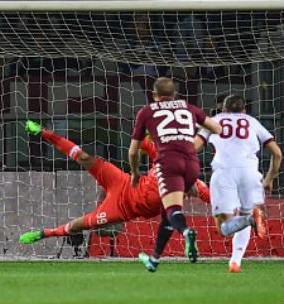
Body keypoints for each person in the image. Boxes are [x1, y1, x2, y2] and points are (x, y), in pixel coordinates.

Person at [20, 121, 210, 245]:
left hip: (123, 209)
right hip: (123, 182)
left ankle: (45, 233)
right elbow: (142, 143)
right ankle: (45, 133)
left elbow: (211, 197)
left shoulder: (191, 182)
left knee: (86, 224)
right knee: (85, 158)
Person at [128, 77, 222, 272]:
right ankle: (154, 260)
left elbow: (132, 151)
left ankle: (187, 231)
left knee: (173, 211)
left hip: (168, 164)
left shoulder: (146, 111)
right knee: (167, 212)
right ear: (175, 95)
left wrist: (135, 172)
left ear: (154, 95)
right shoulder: (189, 108)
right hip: (192, 164)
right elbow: (217, 129)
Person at [195, 95, 282, 273]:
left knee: (224, 228)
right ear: (244, 110)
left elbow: (195, 146)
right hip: (250, 172)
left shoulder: (214, 120)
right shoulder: (252, 121)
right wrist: (269, 179)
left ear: (223, 109)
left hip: (223, 173)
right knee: (245, 213)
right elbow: (278, 154)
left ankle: (249, 220)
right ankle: (235, 262)